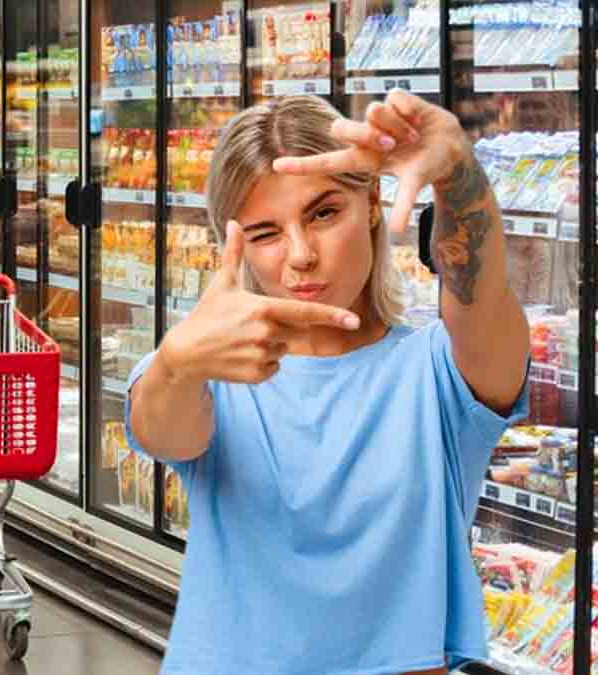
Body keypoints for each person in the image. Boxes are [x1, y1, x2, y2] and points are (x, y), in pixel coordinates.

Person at [126, 91, 530, 674]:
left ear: (370, 203)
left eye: (322, 213)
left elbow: (483, 297)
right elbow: (161, 430)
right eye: (265, 232)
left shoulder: (439, 375)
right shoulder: (207, 368)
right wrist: (176, 363)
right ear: (234, 247)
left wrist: (457, 174)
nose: (301, 256)